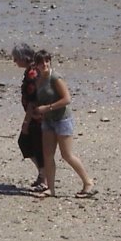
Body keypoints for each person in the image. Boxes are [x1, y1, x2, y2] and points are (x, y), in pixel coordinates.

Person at [31, 50, 96, 199]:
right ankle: (51, 189)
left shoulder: (55, 78)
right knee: (47, 155)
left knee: (67, 154)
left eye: (47, 61)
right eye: (41, 63)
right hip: (47, 121)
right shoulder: (38, 79)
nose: (44, 65)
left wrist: (47, 108)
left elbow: (67, 99)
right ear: (36, 65)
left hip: (62, 120)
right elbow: (40, 99)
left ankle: (88, 182)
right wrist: (36, 111)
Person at [11, 42, 44, 190]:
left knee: (30, 144)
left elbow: (32, 101)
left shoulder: (32, 73)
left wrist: (26, 122)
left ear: (24, 58)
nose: (14, 61)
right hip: (37, 116)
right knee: (31, 145)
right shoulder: (32, 70)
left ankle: (44, 177)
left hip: (37, 117)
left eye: (16, 58)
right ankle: (42, 174)